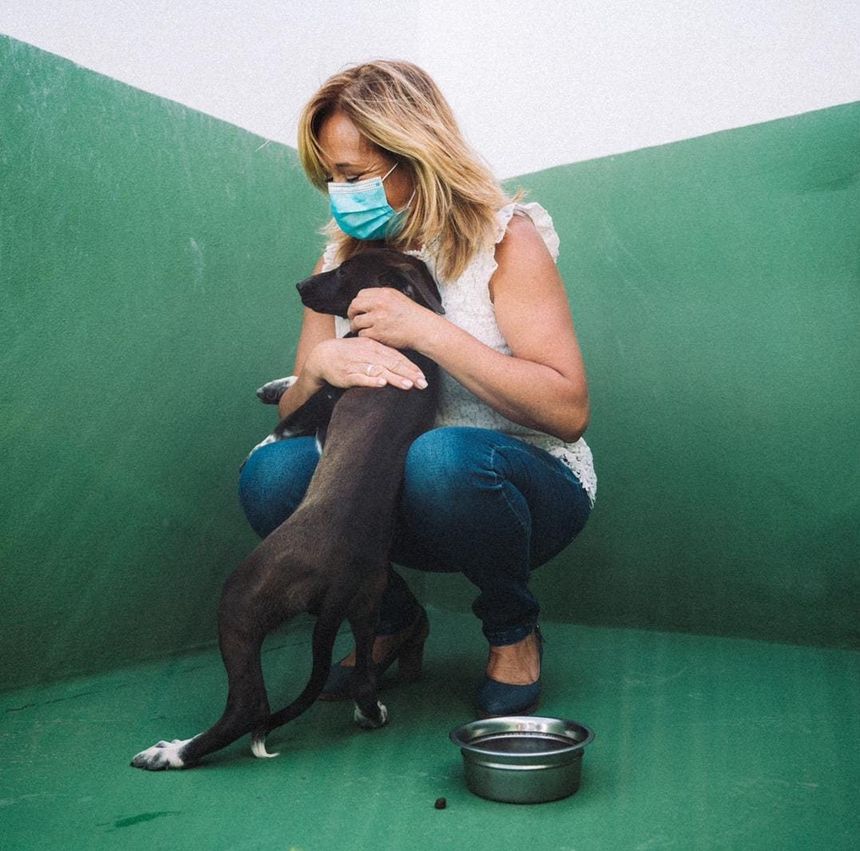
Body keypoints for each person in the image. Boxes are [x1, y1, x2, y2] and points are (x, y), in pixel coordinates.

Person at [239, 60, 596, 717]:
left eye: (354, 175)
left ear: (415, 156)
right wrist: (318, 370)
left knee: (439, 457)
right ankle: (389, 619)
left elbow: (568, 410)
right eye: (330, 178)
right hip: (390, 495)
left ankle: (513, 630)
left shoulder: (505, 240)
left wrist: (429, 332)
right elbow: (291, 417)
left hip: (518, 486)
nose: (339, 195)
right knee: (269, 474)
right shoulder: (338, 261)